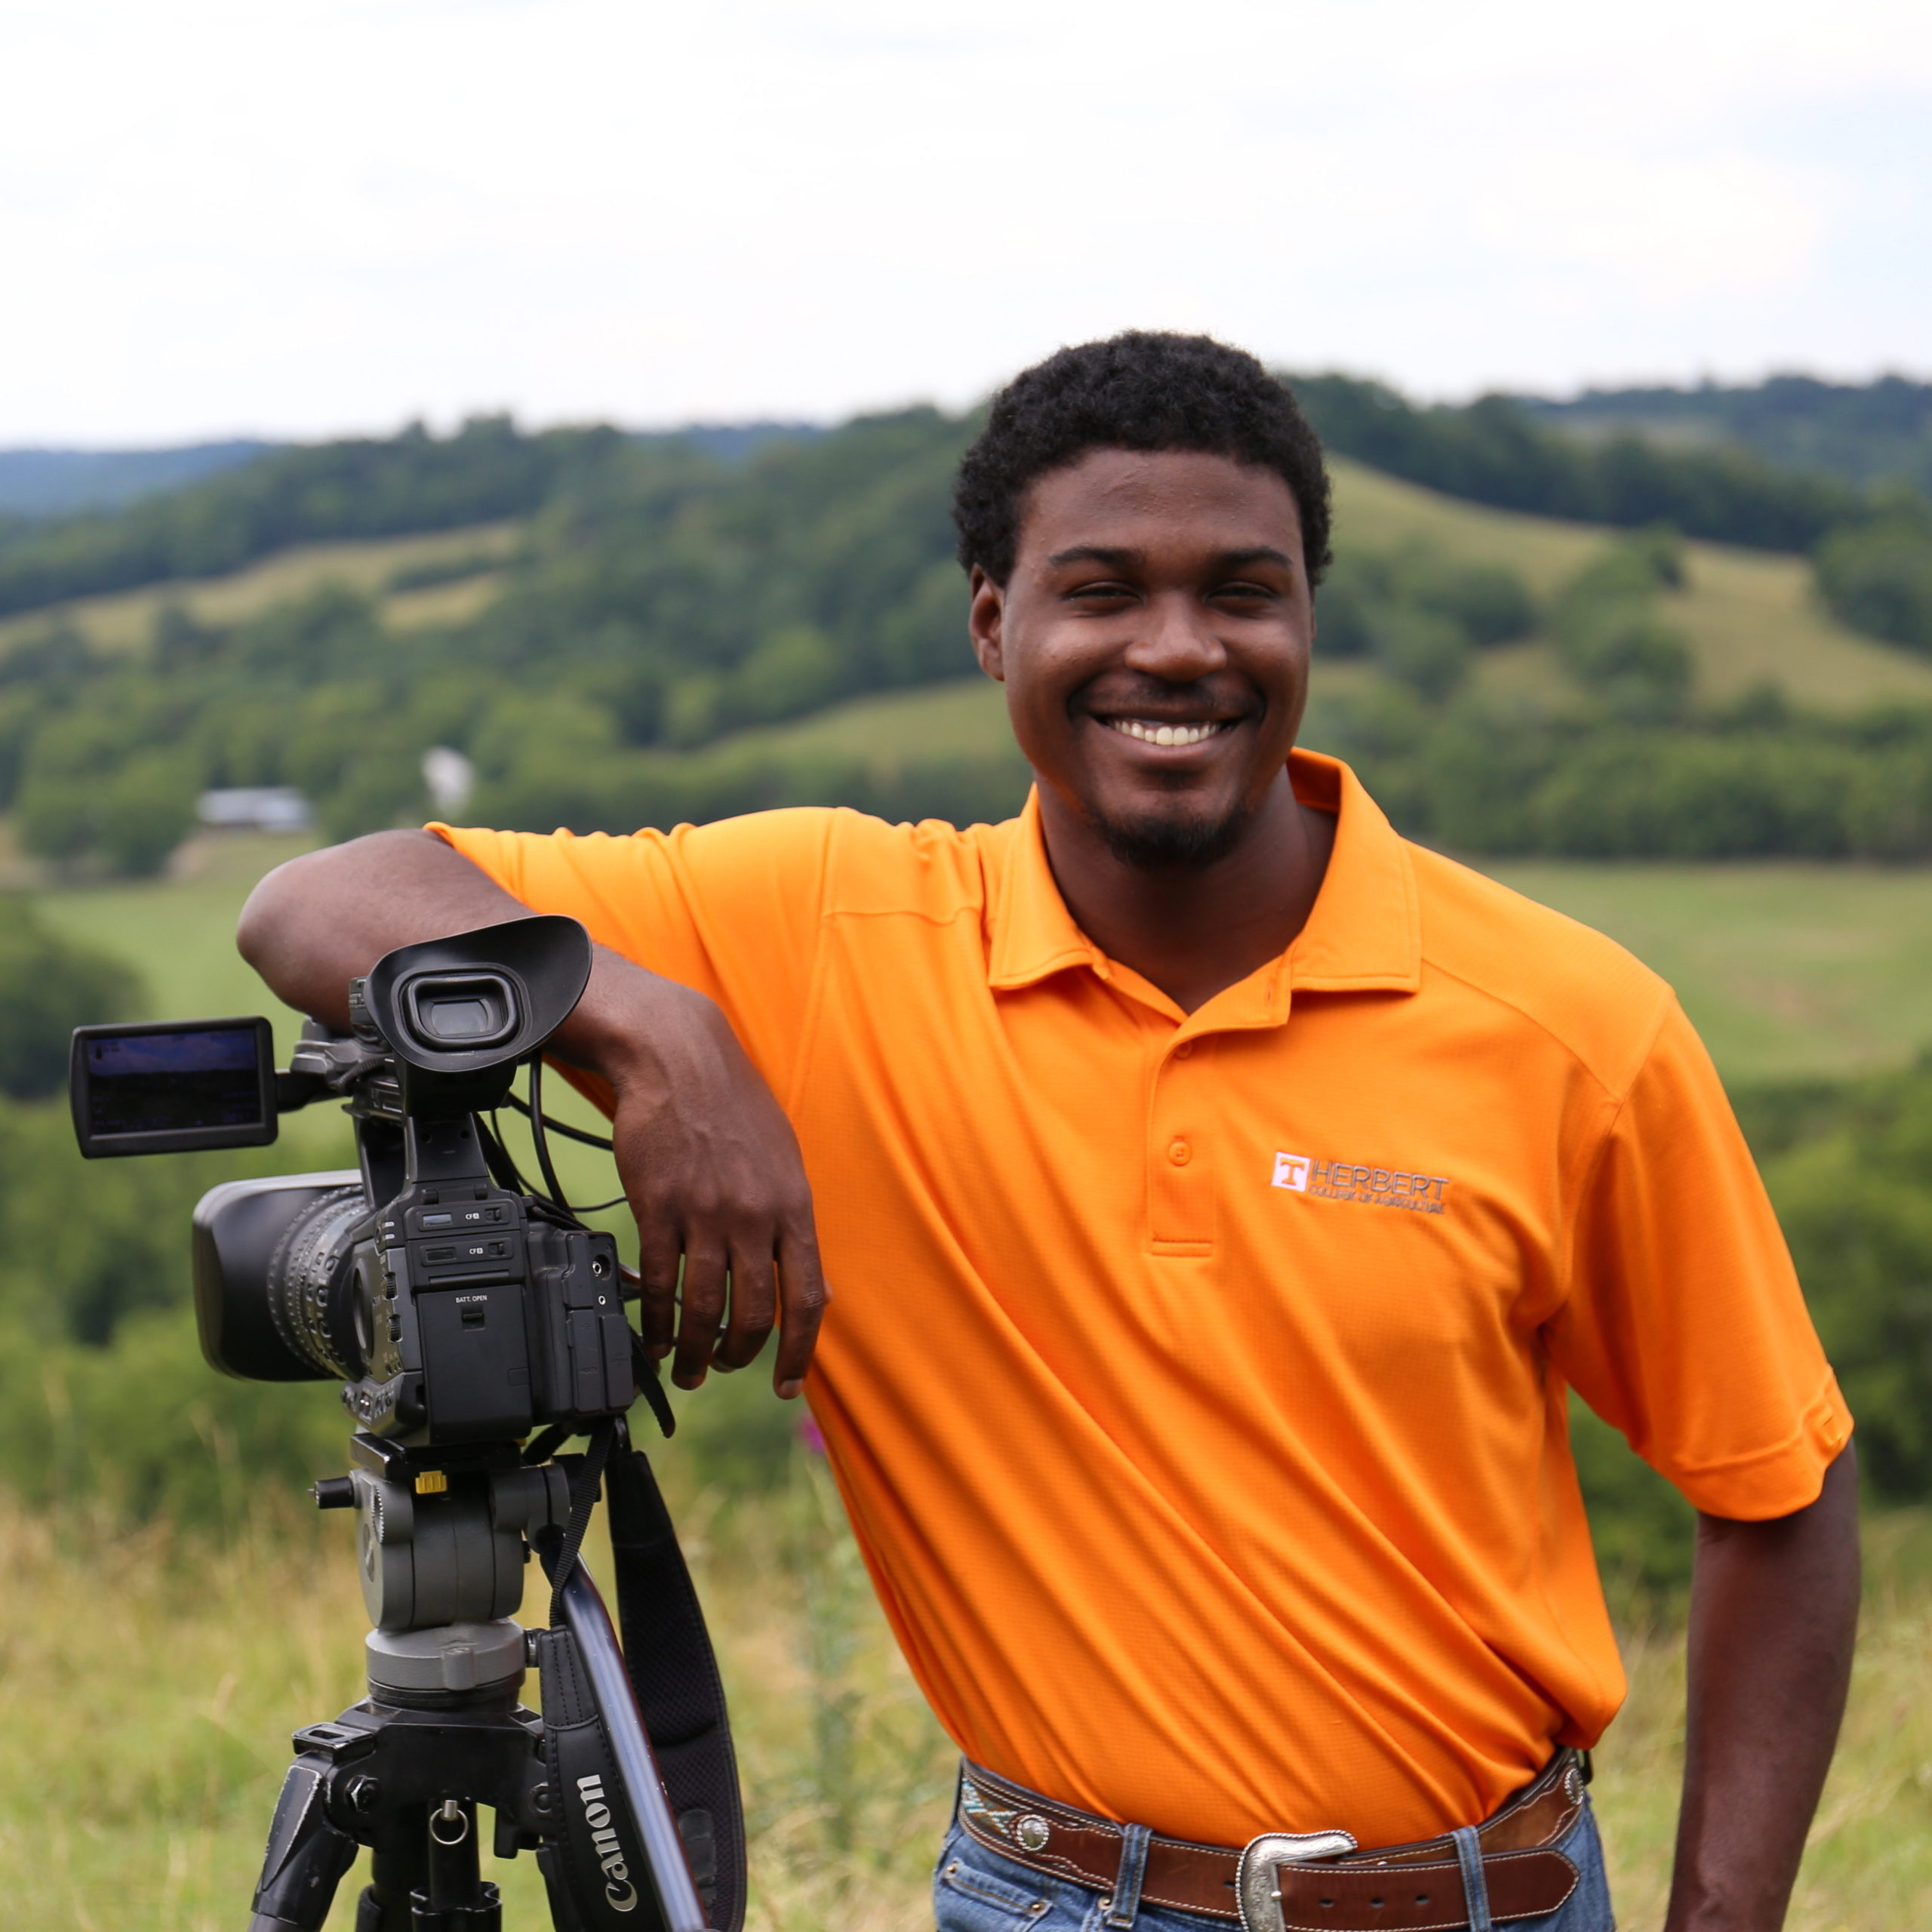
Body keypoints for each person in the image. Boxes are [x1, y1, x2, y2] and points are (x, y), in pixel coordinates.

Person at [240, 333, 1859, 1932]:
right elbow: (315, 899)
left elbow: (1775, 1491)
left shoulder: (1567, 1020)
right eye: (1100, 590)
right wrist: (653, 1026)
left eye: (1239, 588)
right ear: (991, 624)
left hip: (1486, 1901)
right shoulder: (821, 929)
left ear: (1304, 619)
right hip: (1050, 1899)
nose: (1177, 646)